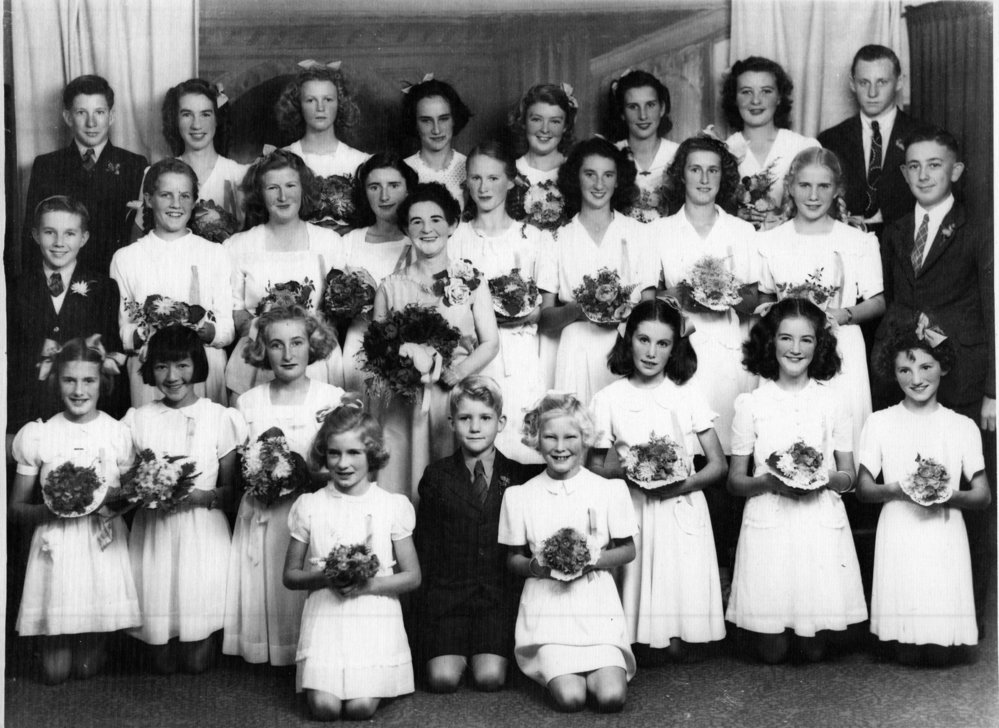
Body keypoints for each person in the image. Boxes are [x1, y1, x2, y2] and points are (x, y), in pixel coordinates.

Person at [875, 126, 995, 630]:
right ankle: (908, 614)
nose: (924, 175)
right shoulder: (896, 231)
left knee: (963, 491)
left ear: (956, 171)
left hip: (963, 378)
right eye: (914, 166)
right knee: (908, 493)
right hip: (907, 377)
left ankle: (968, 616)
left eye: (935, 165)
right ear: (904, 174)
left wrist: (993, 391)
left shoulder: (979, 229)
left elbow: (993, 309)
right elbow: (893, 303)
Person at [726, 299, 866, 664]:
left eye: (806, 339)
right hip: (770, 521)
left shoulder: (834, 402)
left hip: (816, 522)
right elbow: (735, 482)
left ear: (819, 345)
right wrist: (771, 483)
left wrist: (824, 478)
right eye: (786, 338)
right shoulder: (751, 404)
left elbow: (849, 477)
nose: (795, 348)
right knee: (772, 652)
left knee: (812, 650)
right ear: (770, 341)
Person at [589, 300, 727, 660]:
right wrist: (631, 473)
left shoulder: (687, 393)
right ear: (628, 340)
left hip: (682, 504)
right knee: (645, 646)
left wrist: (678, 485)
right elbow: (594, 468)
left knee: (681, 644)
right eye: (643, 340)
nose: (651, 353)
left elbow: (718, 465)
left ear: (674, 348)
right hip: (635, 507)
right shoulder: (608, 399)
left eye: (662, 343)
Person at [858, 315, 990, 665]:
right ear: (893, 372)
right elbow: (864, 489)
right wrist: (899, 490)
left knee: (940, 653)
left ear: (942, 367)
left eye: (925, 367)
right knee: (907, 651)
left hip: (944, 533)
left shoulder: (962, 426)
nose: (916, 379)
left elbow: (983, 495)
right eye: (904, 370)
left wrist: (950, 495)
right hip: (899, 529)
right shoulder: (879, 422)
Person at [8, 339, 140, 684]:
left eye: (88, 381)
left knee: (84, 670)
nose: (79, 391)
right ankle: (50, 640)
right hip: (57, 549)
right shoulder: (40, 434)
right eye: (69, 380)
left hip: (101, 545)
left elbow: (132, 496)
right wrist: (52, 509)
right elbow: (15, 509)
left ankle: (98, 639)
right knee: (55, 673)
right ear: (57, 382)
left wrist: (110, 498)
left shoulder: (117, 432)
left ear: (102, 383)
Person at [498, 392, 637, 713]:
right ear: (536, 439)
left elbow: (628, 550)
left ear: (585, 438)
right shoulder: (519, 496)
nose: (560, 447)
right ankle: (555, 665)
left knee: (611, 697)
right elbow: (513, 560)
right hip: (547, 612)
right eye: (550, 437)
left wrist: (591, 561)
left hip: (597, 608)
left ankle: (603, 663)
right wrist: (539, 567)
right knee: (571, 698)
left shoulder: (608, 490)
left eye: (570, 437)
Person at [283, 399, 420, 721]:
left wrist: (367, 585)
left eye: (354, 453)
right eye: (334, 453)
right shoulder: (310, 505)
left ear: (371, 454)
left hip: (374, 617)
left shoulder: (391, 505)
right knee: (325, 709)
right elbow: (290, 576)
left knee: (360, 708)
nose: (343, 463)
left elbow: (413, 577)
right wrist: (326, 578)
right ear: (324, 454)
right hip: (326, 617)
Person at [223, 305, 344, 666]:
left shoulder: (331, 398)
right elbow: (239, 469)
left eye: (297, 342)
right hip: (265, 516)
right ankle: (270, 649)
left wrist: (308, 476)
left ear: (313, 345)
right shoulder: (248, 402)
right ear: (263, 350)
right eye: (276, 345)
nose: (288, 354)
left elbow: (344, 465)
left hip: (313, 514)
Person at [124, 326, 244, 673]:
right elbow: (125, 484)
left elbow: (232, 492)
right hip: (156, 536)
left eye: (182, 365)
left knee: (196, 663)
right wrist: (145, 489)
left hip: (202, 536)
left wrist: (199, 496)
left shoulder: (219, 417)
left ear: (197, 366)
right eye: (162, 366)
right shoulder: (138, 419)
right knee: (160, 664)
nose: (172, 376)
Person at [414, 376, 544, 693]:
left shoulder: (520, 475)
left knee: (490, 679)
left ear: (501, 422)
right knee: (442, 680)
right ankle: (452, 652)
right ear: (451, 422)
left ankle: (484, 654)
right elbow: (426, 549)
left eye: (485, 418)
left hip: (496, 601)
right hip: (449, 599)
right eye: (465, 418)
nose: (475, 427)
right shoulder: (436, 476)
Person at [373, 182, 499, 499]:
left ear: (453, 225)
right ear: (406, 229)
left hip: (454, 395)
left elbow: (491, 343)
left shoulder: (471, 281)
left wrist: (458, 373)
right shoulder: (390, 286)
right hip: (406, 400)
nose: (426, 229)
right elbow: (376, 348)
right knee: (405, 479)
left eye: (436, 220)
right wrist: (405, 367)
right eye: (416, 221)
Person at [757, 147, 885, 455]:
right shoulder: (769, 240)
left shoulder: (858, 240)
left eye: (823, 186)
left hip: (841, 348)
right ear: (790, 187)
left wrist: (842, 314)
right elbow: (764, 296)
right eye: (804, 185)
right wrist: (770, 311)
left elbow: (878, 302)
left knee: (840, 443)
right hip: (788, 350)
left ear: (837, 189)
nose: (813, 196)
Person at [655, 134, 759, 453]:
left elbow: (753, 301)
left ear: (723, 176)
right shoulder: (658, 231)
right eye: (695, 169)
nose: (704, 179)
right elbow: (649, 300)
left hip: (727, 349)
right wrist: (685, 294)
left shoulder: (742, 231)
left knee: (728, 444)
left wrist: (724, 292)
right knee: (680, 445)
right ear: (681, 175)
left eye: (713, 170)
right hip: (679, 348)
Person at [538, 137, 657, 407]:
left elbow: (649, 309)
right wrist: (578, 310)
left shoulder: (640, 234)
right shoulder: (556, 238)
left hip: (625, 348)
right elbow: (545, 319)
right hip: (575, 350)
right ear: (576, 178)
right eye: (590, 174)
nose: (599, 184)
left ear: (618, 180)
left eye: (608, 175)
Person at [449, 142, 549, 462]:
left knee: (521, 444)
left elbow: (545, 307)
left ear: (510, 182)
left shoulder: (532, 237)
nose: (484, 187)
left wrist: (526, 313)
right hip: (472, 355)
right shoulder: (456, 238)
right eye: (476, 178)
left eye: (493, 178)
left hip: (519, 353)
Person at [110, 158, 234, 407]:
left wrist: (205, 329)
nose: (176, 204)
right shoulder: (126, 258)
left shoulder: (215, 253)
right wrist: (146, 331)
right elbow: (123, 331)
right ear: (148, 199)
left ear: (195, 201)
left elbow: (227, 329)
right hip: (150, 371)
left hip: (202, 368)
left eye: (184, 196)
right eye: (166, 195)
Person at [223, 150, 344, 403]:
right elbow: (234, 310)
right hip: (256, 359)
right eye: (272, 188)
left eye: (290, 185)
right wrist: (267, 335)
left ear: (303, 189)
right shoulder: (238, 245)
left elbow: (336, 310)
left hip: (315, 359)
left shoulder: (329, 242)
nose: (282, 196)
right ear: (260, 193)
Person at [7, 196, 126, 441]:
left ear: (84, 238)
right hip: (31, 413)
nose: (59, 243)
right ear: (35, 235)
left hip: (86, 413)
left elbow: (111, 352)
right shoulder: (14, 288)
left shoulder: (104, 288)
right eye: (49, 232)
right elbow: (11, 358)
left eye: (69, 234)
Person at [20, 74, 147, 274]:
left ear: (111, 116)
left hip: (116, 276)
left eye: (99, 112)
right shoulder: (46, 165)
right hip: (63, 278)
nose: (91, 123)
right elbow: (32, 236)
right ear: (67, 117)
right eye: (81, 112)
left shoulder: (135, 165)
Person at [817, 45, 920, 232]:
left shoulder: (922, 135)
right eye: (864, 82)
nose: (872, 93)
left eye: (882, 82)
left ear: (899, 82)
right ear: (852, 83)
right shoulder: (829, 140)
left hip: (906, 244)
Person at [339, 153, 418, 392]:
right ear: (365, 192)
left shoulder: (419, 241)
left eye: (394, 185)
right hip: (357, 346)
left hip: (406, 350)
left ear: (408, 190)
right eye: (374, 187)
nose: (384, 196)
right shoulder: (350, 241)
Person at [134, 78, 247, 243]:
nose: (196, 125)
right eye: (187, 114)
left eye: (205, 114)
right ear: (175, 120)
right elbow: (139, 239)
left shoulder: (240, 175)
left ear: (217, 119)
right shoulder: (155, 173)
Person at [721, 57, 820, 229]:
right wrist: (734, 217)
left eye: (766, 91)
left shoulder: (803, 147)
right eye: (746, 92)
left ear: (779, 97)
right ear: (734, 98)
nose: (756, 100)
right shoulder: (722, 151)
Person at [274, 61, 370, 232]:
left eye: (328, 99)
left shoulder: (361, 162)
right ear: (298, 105)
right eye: (311, 100)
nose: (320, 108)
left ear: (340, 103)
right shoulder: (282, 159)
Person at [609, 69, 679, 222]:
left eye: (650, 105)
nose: (643, 115)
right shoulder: (610, 155)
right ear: (622, 113)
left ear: (662, 108)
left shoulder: (679, 154)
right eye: (633, 107)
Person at [508, 83, 577, 229]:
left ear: (565, 126)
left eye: (555, 121)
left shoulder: (576, 172)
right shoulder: (509, 172)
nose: (545, 129)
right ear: (523, 121)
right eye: (536, 119)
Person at [402, 76, 472, 209]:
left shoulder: (471, 168)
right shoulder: (402, 171)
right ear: (414, 123)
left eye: (443, 119)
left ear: (454, 119)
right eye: (426, 121)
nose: (436, 130)